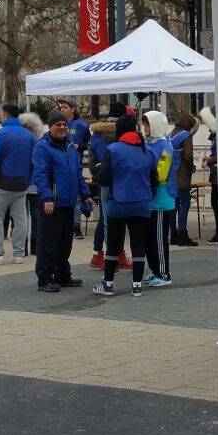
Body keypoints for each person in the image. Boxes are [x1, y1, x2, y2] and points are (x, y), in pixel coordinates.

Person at [92, 114, 156, 297]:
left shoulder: (113, 149)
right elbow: (154, 178)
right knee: (138, 244)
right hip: (142, 203)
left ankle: (108, 284)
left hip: (118, 203)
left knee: (114, 244)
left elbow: (104, 178)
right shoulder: (148, 150)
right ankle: (137, 286)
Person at [31, 111, 93, 292]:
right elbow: (40, 175)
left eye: (65, 125)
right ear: (50, 126)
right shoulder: (42, 147)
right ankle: (45, 279)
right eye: (58, 124)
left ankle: (63, 275)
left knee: (65, 243)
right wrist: (47, 198)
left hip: (68, 202)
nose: (62, 127)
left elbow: (78, 174)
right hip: (52, 203)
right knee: (48, 242)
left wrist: (85, 194)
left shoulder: (70, 147)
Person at [0, 104, 34, 265]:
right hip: (22, 184)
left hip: (1, 184)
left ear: (5, 115)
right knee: (21, 219)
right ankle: (19, 254)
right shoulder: (29, 136)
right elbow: (34, 161)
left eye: (1, 115)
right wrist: (29, 180)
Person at [87, 102, 134, 271]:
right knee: (111, 221)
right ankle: (111, 257)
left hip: (104, 179)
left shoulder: (97, 133)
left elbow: (98, 157)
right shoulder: (123, 131)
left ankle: (105, 254)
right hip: (118, 181)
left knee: (107, 219)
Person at [143, 110, 176, 286]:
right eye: (144, 123)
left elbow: (161, 174)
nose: (145, 127)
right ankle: (154, 270)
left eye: (148, 123)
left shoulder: (166, 146)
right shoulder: (147, 143)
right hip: (149, 198)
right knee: (149, 238)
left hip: (161, 198)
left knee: (159, 239)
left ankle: (164, 274)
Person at [57, 98, 90, 239]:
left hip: (75, 164)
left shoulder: (82, 125)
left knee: (76, 195)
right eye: (61, 107)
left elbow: (88, 143)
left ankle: (75, 226)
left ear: (73, 109)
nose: (62, 109)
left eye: (65, 107)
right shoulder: (57, 123)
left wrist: (79, 146)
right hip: (59, 164)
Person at [168, 113, 199, 246]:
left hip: (170, 175)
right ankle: (182, 236)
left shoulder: (169, 135)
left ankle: (173, 236)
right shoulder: (186, 135)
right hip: (182, 175)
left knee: (173, 206)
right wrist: (191, 168)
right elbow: (188, 156)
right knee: (185, 204)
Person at [18, 112, 45, 256]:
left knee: (33, 216)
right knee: (25, 217)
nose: (26, 130)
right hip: (26, 183)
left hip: (32, 183)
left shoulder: (36, 143)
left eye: (27, 127)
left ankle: (32, 246)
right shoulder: (38, 143)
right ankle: (26, 246)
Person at [199, 105, 218, 244]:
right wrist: (210, 158)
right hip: (216, 174)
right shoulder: (217, 134)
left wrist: (210, 160)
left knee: (216, 203)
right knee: (215, 202)